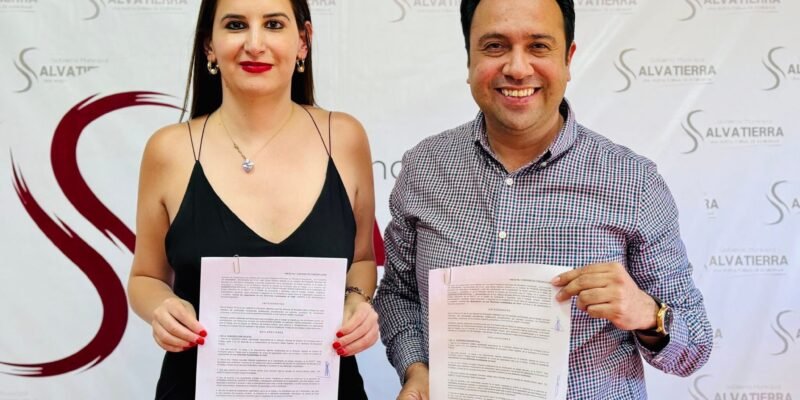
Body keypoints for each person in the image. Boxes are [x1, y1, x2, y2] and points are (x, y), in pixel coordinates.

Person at [373, 0, 713, 398]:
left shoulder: (633, 181)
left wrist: (647, 314)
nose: (518, 68)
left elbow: (695, 347)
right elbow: (398, 295)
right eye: (495, 46)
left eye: (538, 46)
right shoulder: (425, 167)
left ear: (568, 59)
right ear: (469, 59)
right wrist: (416, 369)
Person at [127, 0, 378, 398]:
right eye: (236, 25)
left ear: (303, 41)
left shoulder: (344, 138)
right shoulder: (169, 150)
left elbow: (362, 260)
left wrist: (356, 301)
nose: (255, 44)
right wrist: (162, 307)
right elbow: (145, 278)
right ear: (209, 45)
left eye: (274, 24)